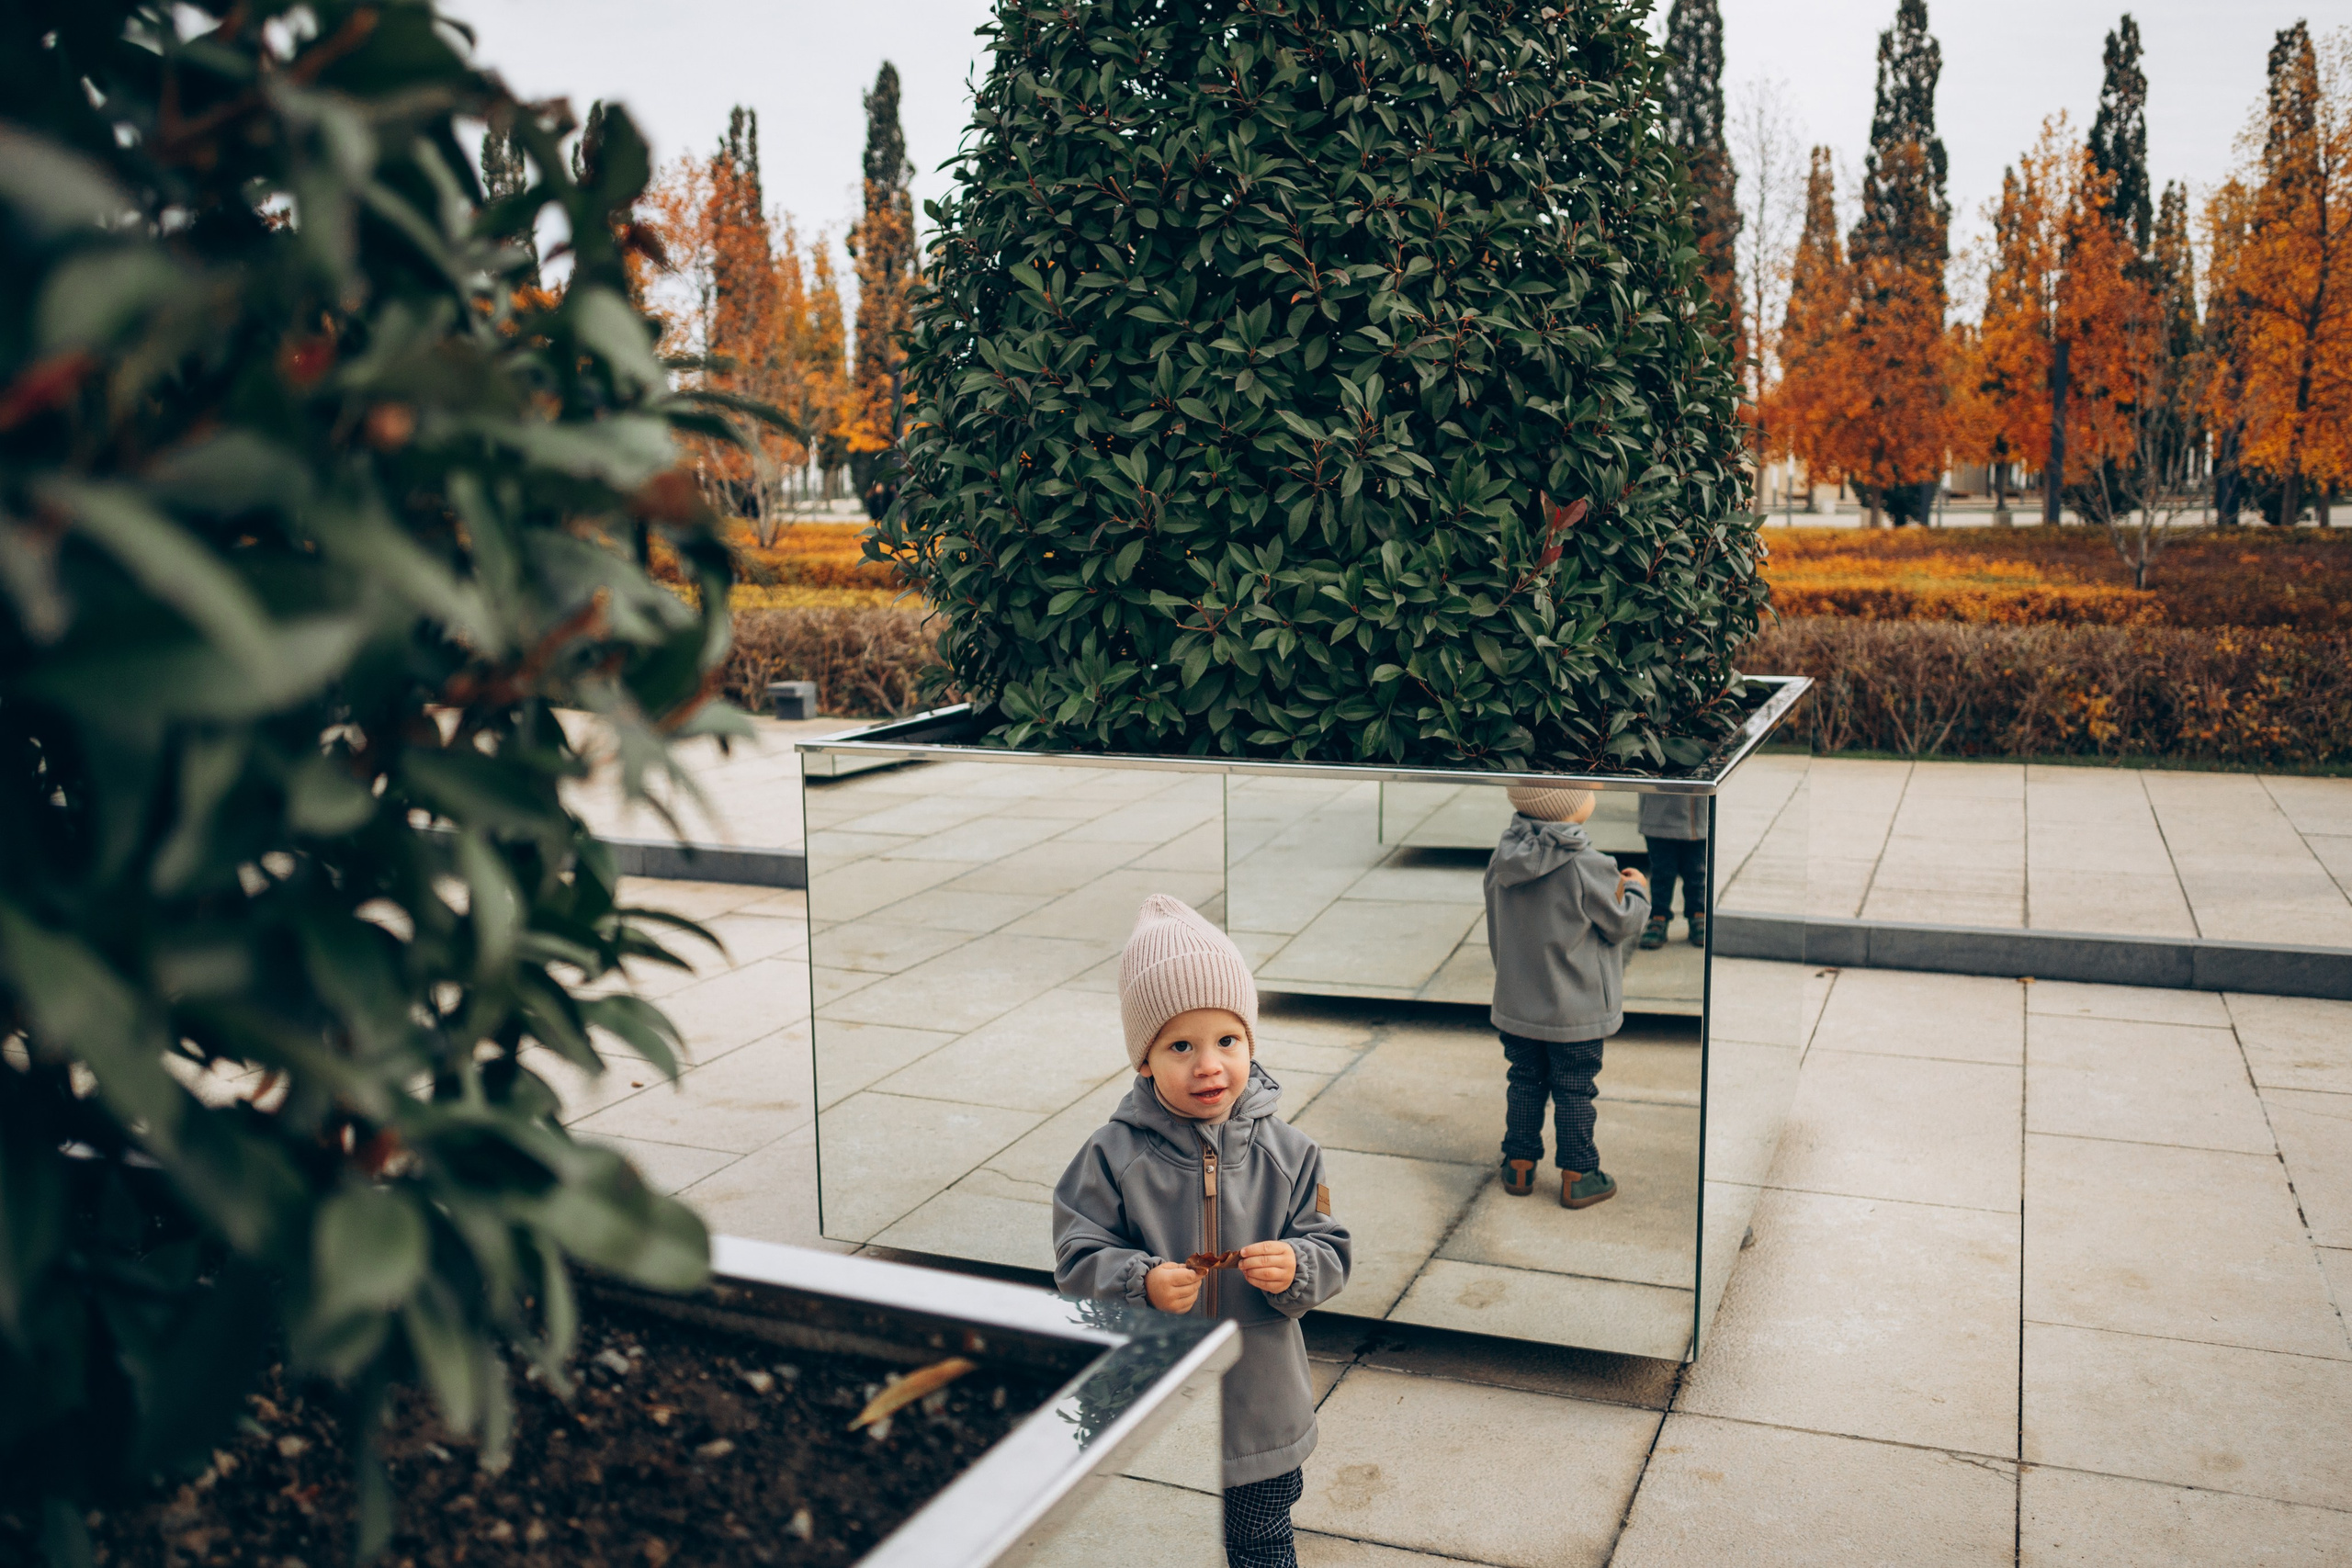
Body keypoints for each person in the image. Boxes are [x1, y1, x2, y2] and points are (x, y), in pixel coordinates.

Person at [1053, 895, 1352, 1568]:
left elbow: (1330, 1245)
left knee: (1262, 1542)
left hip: (1259, 1409)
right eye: (1180, 1045)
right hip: (1149, 1402)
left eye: (1227, 1040)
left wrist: (1297, 1264)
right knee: (1154, 1535)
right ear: (1144, 1059)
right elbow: (1076, 1255)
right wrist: (1140, 1279)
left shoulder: (1291, 1152)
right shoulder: (1111, 1155)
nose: (1208, 1064)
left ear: (1251, 1041)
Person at [1485, 784, 1650, 1209]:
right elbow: (1621, 922)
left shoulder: (1504, 856)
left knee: (1524, 1081)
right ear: (1568, 807)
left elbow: (1496, 924)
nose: (1594, 790)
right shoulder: (1586, 865)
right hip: (1575, 1011)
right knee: (1575, 1089)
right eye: (1585, 790)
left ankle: (1518, 1165)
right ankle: (1579, 1173)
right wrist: (1638, 890)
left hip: (1518, 1004)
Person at [1636, 791, 1709, 949]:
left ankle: (1698, 914)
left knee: (1696, 872)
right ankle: (1659, 916)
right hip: (1658, 814)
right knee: (1662, 873)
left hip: (1696, 817)